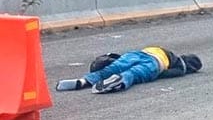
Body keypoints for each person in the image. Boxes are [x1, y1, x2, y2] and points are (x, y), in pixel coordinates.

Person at [56, 46, 202, 94]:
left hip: (137, 53)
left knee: (113, 68)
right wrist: (158, 74)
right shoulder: (180, 65)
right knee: (133, 74)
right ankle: (120, 80)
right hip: (155, 63)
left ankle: (83, 81)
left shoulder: (162, 49)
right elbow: (168, 73)